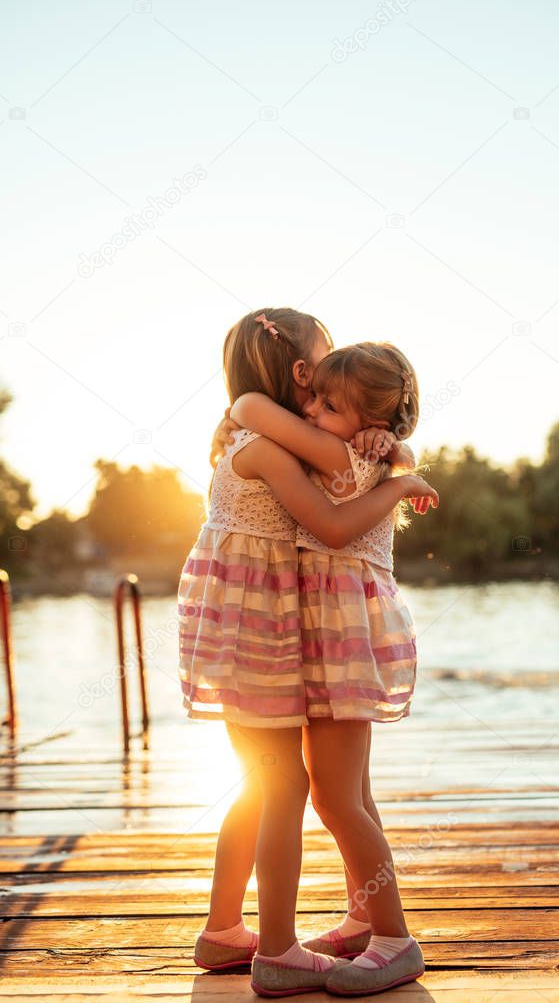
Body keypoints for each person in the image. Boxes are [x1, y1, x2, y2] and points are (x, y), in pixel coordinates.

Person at [178, 310, 437, 996]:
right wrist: (398, 470)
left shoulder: (267, 432)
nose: (318, 393)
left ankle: (355, 926)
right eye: (317, 377)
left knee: (321, 790)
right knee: (303, 789)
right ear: (297, 373)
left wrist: (394, 456)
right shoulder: (264, 432)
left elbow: (354, 472)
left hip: (314, 633)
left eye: (332, 394)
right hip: (280, 632)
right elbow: (332, 507)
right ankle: (341, 936)